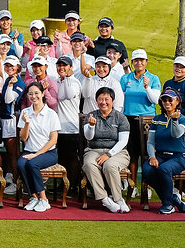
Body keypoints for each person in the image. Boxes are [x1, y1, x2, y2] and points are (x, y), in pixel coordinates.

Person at [142, 89, 185, 214]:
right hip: (160, 155)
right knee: (147, 170)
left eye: (170, 100)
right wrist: (152, 157)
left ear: (177, 101)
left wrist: (174, 121)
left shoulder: (184, 119)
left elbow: (176, 135)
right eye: (164, 100)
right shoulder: (157, 119)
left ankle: (168, 204)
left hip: (179, 157)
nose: (167, 102)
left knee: (164, 169)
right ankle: (172, 198)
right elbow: (151, 142)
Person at [82, 87, 131, 213]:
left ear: (112, 101)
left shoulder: (120, 118)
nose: (103, 102)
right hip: (94, 149)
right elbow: (88, 137)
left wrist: (109, 154)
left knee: (109, 165)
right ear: (96, 101)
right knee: (88, 164)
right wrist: (91, 126)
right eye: (100, 99)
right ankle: (104, 199)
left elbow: (123, 141)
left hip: (117, 152)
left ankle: (118, 199)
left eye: (106, 99)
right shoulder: (91, 115)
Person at [120, 49, 159, 197]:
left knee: (147, 154)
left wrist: (147, 87)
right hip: (129, 119)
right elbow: (121, 98)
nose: (139, 63)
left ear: (146, 62)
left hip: (147, 120)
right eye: (136, 60)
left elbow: (155, 100)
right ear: (132, 63)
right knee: (132, 154)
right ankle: (133, 185)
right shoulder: (125, 79)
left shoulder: (153, 78)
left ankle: (147, 186)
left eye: (142, 60)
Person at [16, 81, 60, 212]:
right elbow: (23, 138)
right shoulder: (25, 112)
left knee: (32, 164)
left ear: (42, 94)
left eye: (36, 93)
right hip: (29, 150)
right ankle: (34, 197)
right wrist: (27, 123)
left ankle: (44, 199)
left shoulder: (51, 114)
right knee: (21, 164)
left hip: (48, 153)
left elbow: (54, 140)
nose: (33, 96)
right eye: (30, 94)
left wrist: (37, 154)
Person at [162, 56, 185, 166]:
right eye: (176, 66)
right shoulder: (168, 83)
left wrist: (181, 120)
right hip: (171, 124)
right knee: (173, 154)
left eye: (182, 67)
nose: (178, 69)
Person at [55, 55, 83, 192]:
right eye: (59, 65)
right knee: (62, 158)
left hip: (71, 126)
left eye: (64, 65)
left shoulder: (74, 82)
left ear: (71, 67)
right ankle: (64, 185)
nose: (61, 68)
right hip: (58, 127)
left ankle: (72, 185)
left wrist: (66, 78)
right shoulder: (57, 81)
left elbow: (69, 94)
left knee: (72, 157)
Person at [0, 55, 25, 195]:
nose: (9, 68)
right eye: (7, 66)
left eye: (12, 66)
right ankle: (10, 177)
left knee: (13, 153)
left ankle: (17, 183)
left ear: (18, 68)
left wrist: (10, 86)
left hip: (11, 120)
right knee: (8, 153)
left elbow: (9, 99)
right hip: (3, 118)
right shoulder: (8, 80)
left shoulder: (18, 82)